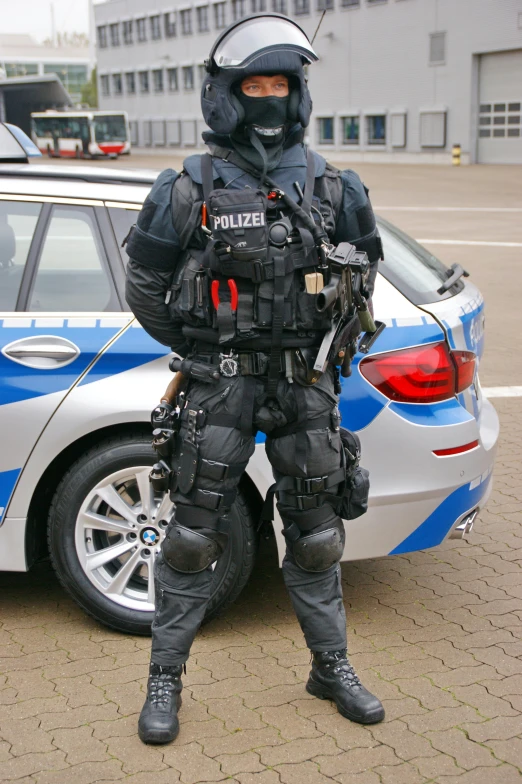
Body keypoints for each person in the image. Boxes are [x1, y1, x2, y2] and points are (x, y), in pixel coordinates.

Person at [125, 13, 385, 745]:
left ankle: (330, 667)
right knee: (190, 538)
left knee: (317, 536)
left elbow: (364, 280)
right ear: (227, 95)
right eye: (254, 84)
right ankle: (165, 680)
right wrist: (204, 353)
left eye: (281, 83)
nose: (268, 96)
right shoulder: (188, 185)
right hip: (221, 388)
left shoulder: (337, 186)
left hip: (306, 389)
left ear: (296, 93)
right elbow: (144, 284)